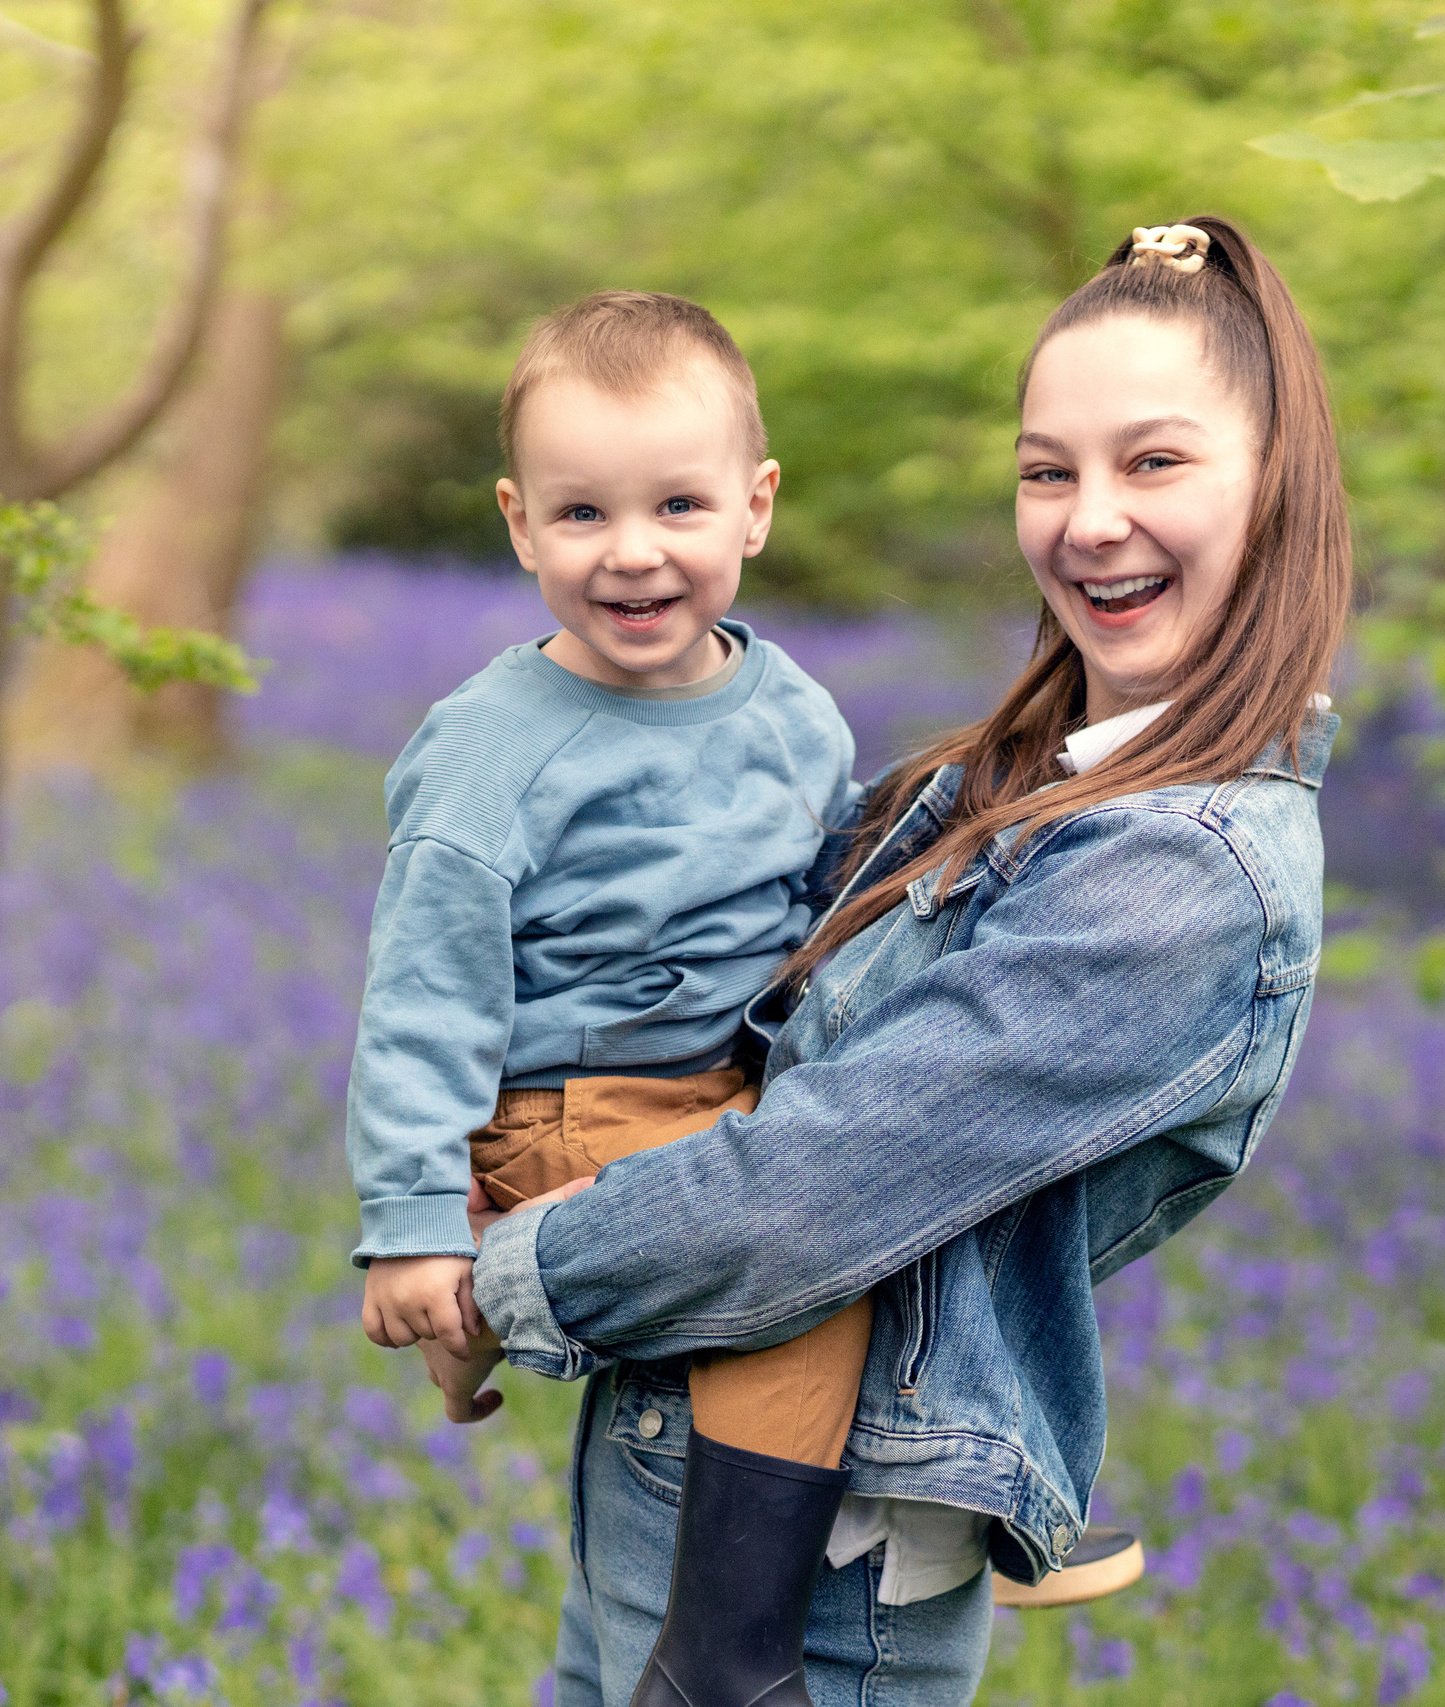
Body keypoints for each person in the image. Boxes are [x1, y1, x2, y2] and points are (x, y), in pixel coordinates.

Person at [451, 215, 1353, 1707]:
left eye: (1153, 462)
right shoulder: (1020, 774)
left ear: (1276, 486)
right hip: (679, 1454)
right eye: (1044, 469)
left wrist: (490, 1280)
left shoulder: (1185, 871)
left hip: (812, 1583)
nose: (1086, 519)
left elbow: (806, 1182)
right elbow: (748, 991)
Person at [344, 292, 882, 1706]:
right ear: (519, 525)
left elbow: (813, 928)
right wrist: (409, 1221)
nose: (633, 554)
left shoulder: (795, 715)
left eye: (679, 505)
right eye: (582, 515)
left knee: (919, 1203)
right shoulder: (492, 748)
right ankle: (725, 1652)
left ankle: (981, 1493)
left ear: (754, 509)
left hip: (730, 1091)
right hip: (564, 1105)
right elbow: (424, 993)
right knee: (795, 1266)